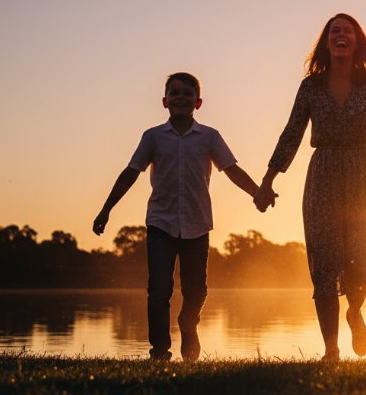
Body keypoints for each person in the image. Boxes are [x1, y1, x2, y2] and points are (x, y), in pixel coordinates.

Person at [253, 13, 366, 362]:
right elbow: (291, 133)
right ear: (326, 42)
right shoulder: (311, 86)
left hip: (363, 174)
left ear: (357, 41)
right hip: (322, 174)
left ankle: (354, 312)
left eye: (347, 31)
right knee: (323, 263)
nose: (340, 35)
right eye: (334, 31)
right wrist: (268, 180)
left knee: (359, 261)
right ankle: (331, 350)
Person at [92, 72, 263, 361]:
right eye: (175, 93)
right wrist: (106, 209)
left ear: (198, 102)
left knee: (196, 290)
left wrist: (257, 193)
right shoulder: (153, 137)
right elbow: (131, 172)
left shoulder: (209, 137)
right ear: (165, 101)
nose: (180, 98)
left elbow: (231, 169)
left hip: (197, 225)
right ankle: (160, 352)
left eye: (186, 94)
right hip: (161, 223)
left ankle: (188, 322)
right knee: (159, 290)